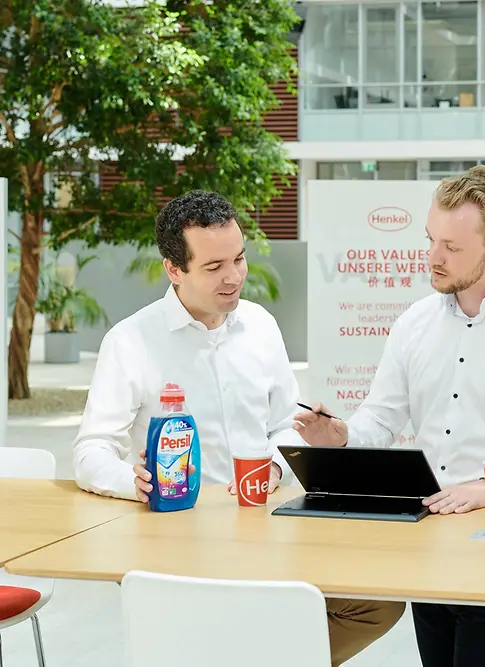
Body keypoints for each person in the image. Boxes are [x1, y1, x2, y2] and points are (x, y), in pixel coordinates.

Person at [72, 189, 404, 667]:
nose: (234, 277)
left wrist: (272, 467)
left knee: (379, 603)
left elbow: (286, 427)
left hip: (266, 533)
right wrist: (135, 482)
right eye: (214, 267)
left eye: (239, 259)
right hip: (178, 544)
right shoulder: (130, 342)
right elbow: (91, 452)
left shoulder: (262, 326)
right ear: (174, 269)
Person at [293, 165, 485, 667]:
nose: (433, 257)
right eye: (431, 239)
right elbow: (381, 419)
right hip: (428, 541)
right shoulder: (413, 325)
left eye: (451, 248)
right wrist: (341, 434)